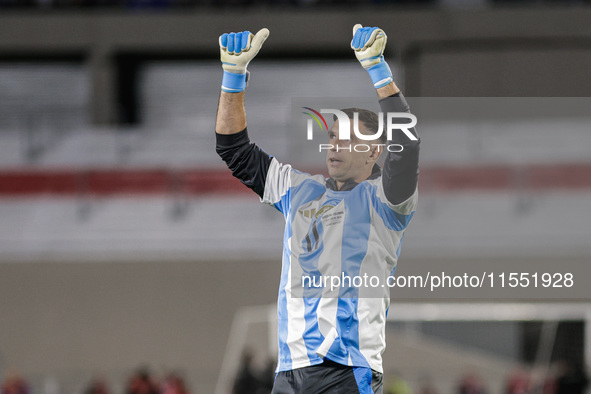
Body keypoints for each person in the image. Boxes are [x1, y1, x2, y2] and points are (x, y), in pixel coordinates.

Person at [215, 24, 419, 394]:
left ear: (375, 151)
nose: (335, 145)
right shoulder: (297, 189)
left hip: (347, 369)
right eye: (332, 137)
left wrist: (377, 68)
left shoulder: (386, 201)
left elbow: (407, 145)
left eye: (349, 138)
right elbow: (233, 149)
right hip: (290, 372)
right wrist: (233, 77)